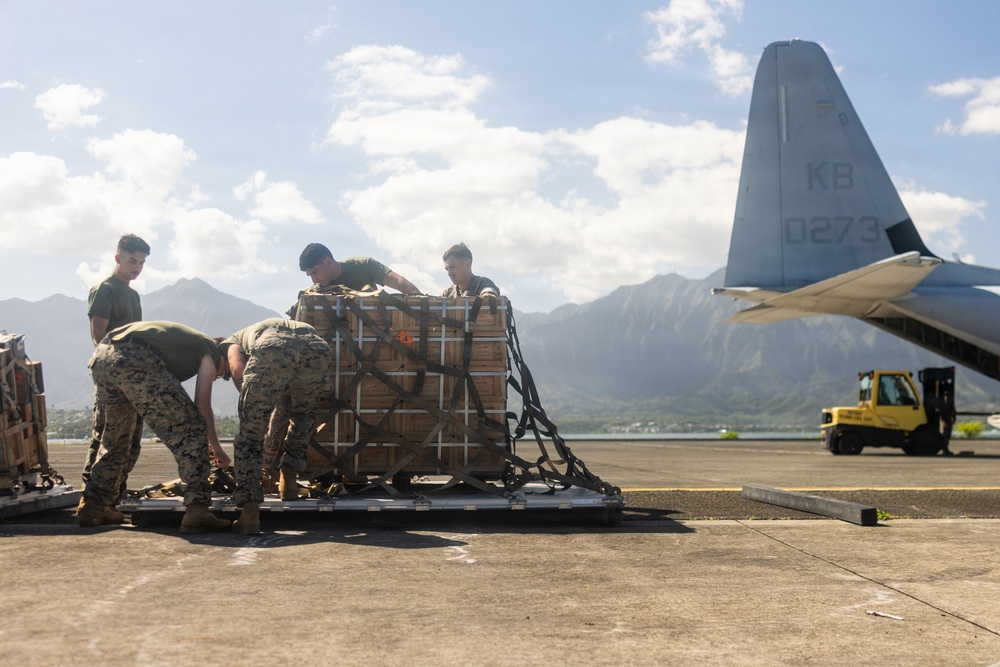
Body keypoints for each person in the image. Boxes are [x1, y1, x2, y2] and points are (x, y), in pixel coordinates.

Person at [78, 321, 232, 532]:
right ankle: (198, 510)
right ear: (224, 355)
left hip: (103, 355)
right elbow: (202, 405)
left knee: (119, 435)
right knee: (191, 428)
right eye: (225, 374)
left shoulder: (188, 344)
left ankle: (95, 505)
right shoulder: (211, 350)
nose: (219, 377)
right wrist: (217, 448)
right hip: (134, 357)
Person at [218, 318, 333, 535]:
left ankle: (250, 513)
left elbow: (237, 371)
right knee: (303, 415)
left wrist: (253, 404)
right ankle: (288, 482)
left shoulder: (231, 342)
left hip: (275, 344)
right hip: (317, 347)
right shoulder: (265, 327)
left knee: (251, 432)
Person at [81, 233, 150, 520]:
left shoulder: (132, 295)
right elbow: (99, 334)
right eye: (132, 260)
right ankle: (94, 502)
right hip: (114, 375)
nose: (137, 267)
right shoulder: (105, 289)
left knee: (131, 439)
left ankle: (110, 500)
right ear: (118, 257)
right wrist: (116, 374)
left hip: (133, 377)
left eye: (142, 263)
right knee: (112, 438)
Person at [298, 242, 421, 294]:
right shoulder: (316, 292)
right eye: (310, 276)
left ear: (328, 262)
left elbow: (398, 281)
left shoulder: (363, 265)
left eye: (315, 272)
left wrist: (423, 304)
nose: (314, 280)